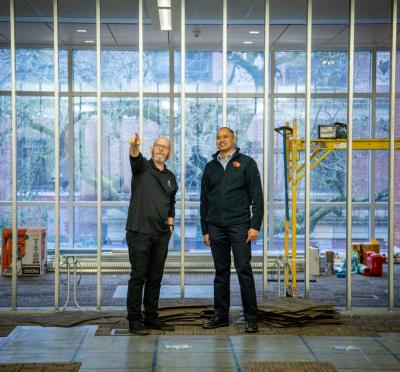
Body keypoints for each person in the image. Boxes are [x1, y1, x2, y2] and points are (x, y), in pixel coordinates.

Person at [200, 127, 263, 333]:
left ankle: (251, 317)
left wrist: (255, 226)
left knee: (244, 270)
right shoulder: (210, 167)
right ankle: (220, 315)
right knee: (221, 272)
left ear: (233, 139)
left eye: (225, 137)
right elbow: (204, 201)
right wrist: (205, 229)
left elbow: (257, 197)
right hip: (215, 226)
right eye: (218, 137)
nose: (221, 140)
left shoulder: (247, 163)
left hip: (240, 226)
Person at [126, 133, 178, 335]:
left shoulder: (171, 178)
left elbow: (171, 203)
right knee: (138, 276)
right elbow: (134, 157)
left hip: (161, 234)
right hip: (139, 231)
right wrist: (134, 146)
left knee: (155, 278)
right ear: (151, 149)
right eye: (158, 146)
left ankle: (151, 317)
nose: (160, 149)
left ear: (169, 153)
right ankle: (134, 320)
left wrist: (171, 225)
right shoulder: (142, 168)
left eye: (165, 147)